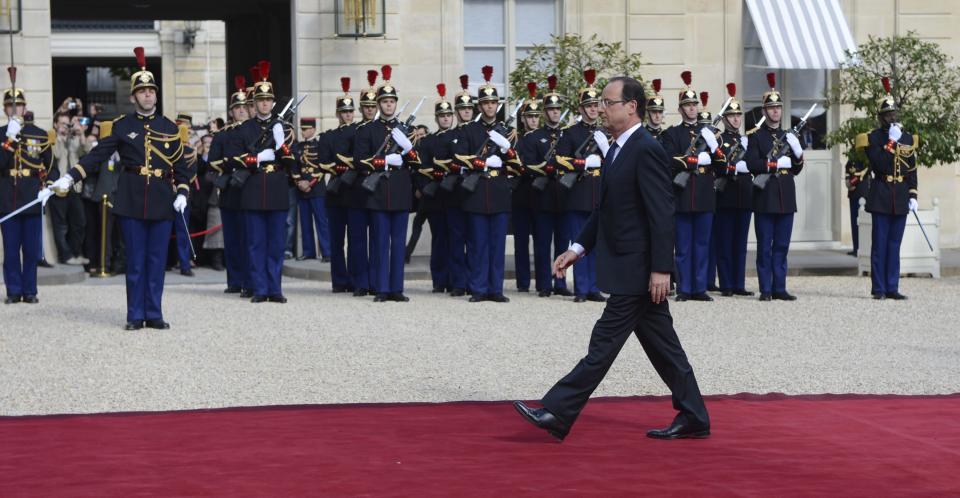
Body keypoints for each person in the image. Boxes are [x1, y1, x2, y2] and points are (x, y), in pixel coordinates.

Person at [513, 76, 710, 442]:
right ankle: (695, 415)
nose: (602, 109)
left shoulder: (646, 149)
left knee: (603, 343)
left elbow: (662, 213)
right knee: (665, 349)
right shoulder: (616, 148)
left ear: (631, 107)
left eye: (608, 102)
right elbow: (605, 210)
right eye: (602, 103)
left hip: (636, 269)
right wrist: (576, 249)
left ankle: (557, 410)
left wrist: (661, 269)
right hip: (628, 265)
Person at [48, 47, 192, 329]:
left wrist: (184, 192)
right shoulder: (121, 126)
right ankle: (135, 315)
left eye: (151, 90)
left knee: (156, 261)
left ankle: (154, 313)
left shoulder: (170, 128)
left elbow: (182, 168)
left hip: (163, 199)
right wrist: (70, 176)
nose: (148, 94)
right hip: (132, 199)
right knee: (135, 262)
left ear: (156, 94)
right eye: (142, 91)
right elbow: (97, 156)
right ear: (133, 96)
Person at [453, 65, 521, 303]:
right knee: (478, 245)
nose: (490, 106)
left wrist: (507, 149)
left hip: (500, 192)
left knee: (496, 246)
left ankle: (496, 289)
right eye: (486, 103)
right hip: (477, 192)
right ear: (479, 106)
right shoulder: (470, 130)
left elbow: (518, 164)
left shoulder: (508, 133)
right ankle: (479, 289)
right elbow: (459, 157)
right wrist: (483, 163)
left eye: (493, 103)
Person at [231, 60, 296, 303]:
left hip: (277, 187)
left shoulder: (281, 128)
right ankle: (259, 288)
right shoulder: (245, 129)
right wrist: (257, 157)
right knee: (256, 243)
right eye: (260, 100)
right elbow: (235, 159)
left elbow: (293, 162)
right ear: (255, 103)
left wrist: (283, 146)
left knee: (276, 244)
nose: (265, 103)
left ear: (273, 102)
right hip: (253, 187)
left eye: (268, 100)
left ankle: (274, 288)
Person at [354, 65, 419, 302]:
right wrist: (383, 161)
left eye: (392, 101)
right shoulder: (368, 130)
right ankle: (381, 288)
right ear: (378, 104)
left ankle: (396, 288)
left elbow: (418, 162)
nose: (389, 105)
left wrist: (409, 148)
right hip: (378, 192)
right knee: (380, 243)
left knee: (399, 243)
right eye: (385, 101)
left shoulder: (407, 130)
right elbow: (360, 162)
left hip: (400, 190)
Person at [744, 73, 805, 301]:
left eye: (778, 107)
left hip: (786, 197)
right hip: (765, 197)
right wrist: (773, 164)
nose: (775, 111)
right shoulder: (756, 137)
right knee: (765, 247)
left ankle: (779, 287)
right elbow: (751, 163)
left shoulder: (788, 136)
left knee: (782, 246)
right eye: (771, 108)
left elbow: (797, 169)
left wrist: (797, 154)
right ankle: (765, 289)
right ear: (764, 111)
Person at [659, 73, 717, 302]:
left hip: (703, 195)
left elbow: (722, 164)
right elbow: (668, 159)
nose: (691, 109)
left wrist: (713, 146)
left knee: (702, 246)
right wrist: (691, 160)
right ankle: (684, 288)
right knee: (683, 247)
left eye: (694, 105)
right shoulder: (672, 134)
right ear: (681, 109)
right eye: (687, 105)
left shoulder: (711, 134)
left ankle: (699, 288)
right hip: (682, 195)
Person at [1, 71, 56, 304]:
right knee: (11, 250)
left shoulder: (39, 134)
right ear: (5, 110)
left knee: (32, 250)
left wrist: (50, 187)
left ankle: (30, 290)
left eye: (19, 106)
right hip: (7, 197)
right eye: (11, 107)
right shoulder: (1, 134)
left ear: (25, 109)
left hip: (32, 196)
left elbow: (51, 165)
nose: (16, 111)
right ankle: (14, 290)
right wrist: (9, 140)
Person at [554, 69, 606, 303]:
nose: (594, 109)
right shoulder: (571, 133)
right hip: (579, 192)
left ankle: (594, 286)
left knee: (597, 243)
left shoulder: (606, 132)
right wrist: (583, 163)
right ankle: (581, 288)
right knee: (579, 242)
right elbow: (559, 159)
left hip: (600, 192)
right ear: (582, 108)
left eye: (596, 105)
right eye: (590, 105)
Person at [864, 77, 918, 300]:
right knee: (880, 245)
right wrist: (890, 144)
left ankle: (892, 286)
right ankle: (878, 288)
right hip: (881, 194)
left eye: (894, 113)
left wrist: (913, 194)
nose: (892, 117)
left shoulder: (906, 137)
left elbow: (912, 168)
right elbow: (879, 164)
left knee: (895, 245)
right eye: (887, 115)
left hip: (900, 195)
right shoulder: (873, 138)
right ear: (880, 117)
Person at [520, 76, 568, 297]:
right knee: (542, 245)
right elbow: (528, 167)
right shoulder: (533, 137)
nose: (555, 113)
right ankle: (543, 284)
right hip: (542, 197)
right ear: (545, 112)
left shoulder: (567, 136)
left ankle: (560, 283)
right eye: (551, 109)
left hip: (564, 196)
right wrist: (548, 167)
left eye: (558, 109)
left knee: (562, 244)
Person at [316, 74, 360, 293]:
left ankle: (353, 279)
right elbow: (322, 162)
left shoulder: (361, 133)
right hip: (335, 191)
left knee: (354, 239)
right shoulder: (328, 137)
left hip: (353, 191)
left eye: (350, 111)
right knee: (336, 240)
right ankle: (339, 280)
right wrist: (339, 167)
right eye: (344, 112)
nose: (347, 115)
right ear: (337, 114)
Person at [410, 83, 455, 293]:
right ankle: (439, 280)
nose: (446, 118)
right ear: (437, 118)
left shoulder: (460, 137)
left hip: (455, 196)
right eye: (442, 115)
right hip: (435, 197)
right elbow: (419, 168)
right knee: (438, 240)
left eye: (449, 115)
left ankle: (455, 279)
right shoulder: (428, 141)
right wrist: (424, 187)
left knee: (455, 240)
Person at [209, 75, 251, 295]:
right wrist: (229, 167)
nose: (242, 110)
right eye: (237, 107)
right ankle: (234, 280)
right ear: (231, 111)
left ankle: (249, 281)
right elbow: (212, 163)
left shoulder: (256, 131)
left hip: (250, 190)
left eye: (245, 106)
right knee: (233, 240)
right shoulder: (223, 135)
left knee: (249, 239)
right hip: (230, 191)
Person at [712, 83, 755, 297]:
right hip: (726, 195)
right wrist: (730, 167)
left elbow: (754, 163)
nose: (736, 119)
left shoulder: (746, 140)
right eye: (732, 115)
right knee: (725, 242)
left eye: (738, 115)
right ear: (725, 118)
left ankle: (739, 283)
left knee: (740, 243)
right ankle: (727, 284)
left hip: (744, 196)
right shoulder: (719, 139)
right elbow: (717, 164)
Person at [49, 110, 91, 265]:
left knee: (79, 222)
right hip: (59, 187)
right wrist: (60, 136)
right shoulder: (53, 139)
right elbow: (57, 155)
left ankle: (75, 252)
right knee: (61, 225)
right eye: (63, 123)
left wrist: (80, 134)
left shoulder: (73, 139)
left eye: (68, 123)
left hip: (75, 186)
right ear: (55, 124)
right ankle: (65, 256)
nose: (66, 127)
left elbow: (86, 151)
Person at [293, 116, 331, 262]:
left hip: (316, 189)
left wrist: (310, 183)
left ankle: (327, 252)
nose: (304, 132)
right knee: (305, 222)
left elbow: (322, 167)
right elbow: (294, 167)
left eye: (307, 129)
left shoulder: (320, 145)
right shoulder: (298, 147)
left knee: (321, 222)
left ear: (314, 129)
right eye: (302, 129)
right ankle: (309, 251)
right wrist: (299, 182)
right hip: (302, 188)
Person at [845, 133, 871, 257]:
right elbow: (847, 170)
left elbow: (864, 173)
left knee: (863, 222)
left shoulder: (867, 155)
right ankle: (856, 248)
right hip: (853, 193)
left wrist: (853, 182)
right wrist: (848, 184)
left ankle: (863, 248)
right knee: (854, 222)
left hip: (863, 193)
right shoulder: (852, 155)